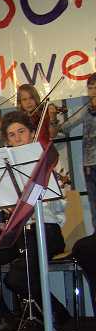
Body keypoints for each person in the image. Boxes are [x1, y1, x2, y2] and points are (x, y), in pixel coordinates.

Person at [0, 111, 70, 331]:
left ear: (31, 133)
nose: (17, 138)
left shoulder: (48, 161)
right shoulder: (5, 166)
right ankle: (0, 316)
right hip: (16, 233)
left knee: (17, 278)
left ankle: (56, 313)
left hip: (45, 229)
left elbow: (61, 207)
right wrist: (6, 209)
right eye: (11, 135)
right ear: (7, 140)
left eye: (21, 132)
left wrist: (50, 192)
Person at [59, 72, 96, 229]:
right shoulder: (86, 109)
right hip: (89, 164)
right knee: (94, 205)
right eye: (90, 88)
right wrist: (53, 119)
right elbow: (66, 126)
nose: (93, 92)